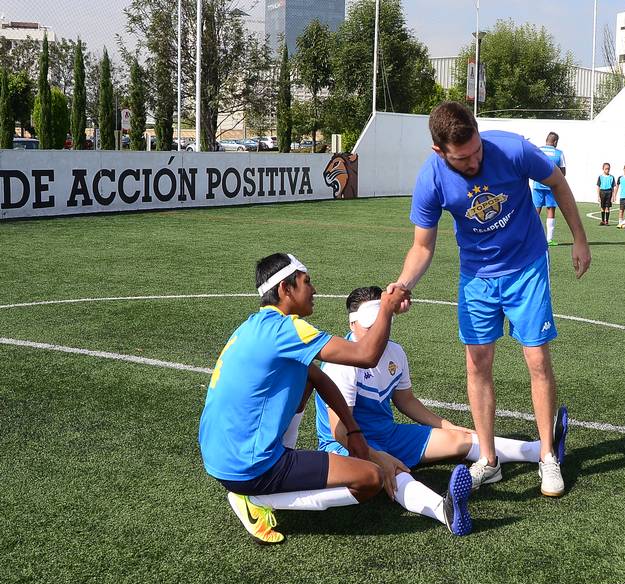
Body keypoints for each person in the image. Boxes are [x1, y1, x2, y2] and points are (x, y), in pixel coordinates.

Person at [388, 101, 590, 498]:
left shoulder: (512, 149)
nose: (474, 160)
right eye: (463, 158)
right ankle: (489, 460)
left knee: (537, 358)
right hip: (476, 278)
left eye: (477, 150)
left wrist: (580, 239)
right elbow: (422, 247)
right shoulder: (431, 179)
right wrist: (403, 284)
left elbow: (558, 184)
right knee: (477, 363)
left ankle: (548, 456)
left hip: (527, 265)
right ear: (439, 152)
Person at [316, 286, 571, 534]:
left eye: (381, 323)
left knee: (460, 439)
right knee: (395, 471)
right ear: (352, 325)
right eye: (368, 326)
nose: (376, 331)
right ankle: (445, 512)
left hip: (387, 435)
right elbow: (340, 433)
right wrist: (379, 456)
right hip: (347, 446)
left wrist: (446, 425)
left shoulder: (395, 352)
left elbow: (406, 401)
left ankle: (540, 448)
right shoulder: (342, 365)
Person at [198, 253, 410, 544]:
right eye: (306, 282)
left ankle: (275, 466)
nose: (314, 290)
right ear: (285, 289)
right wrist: (385, 308)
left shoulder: (253, 325)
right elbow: (366, 355)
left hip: (220, 455)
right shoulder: (286, 329)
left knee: (307, 375)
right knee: (369, 478)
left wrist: (353, 430)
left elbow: (321, 379)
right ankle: (259, 499)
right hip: (247, 465)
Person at [531, 132, 567, 246]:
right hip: (551, 186)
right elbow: (563, 172)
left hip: (537, 184)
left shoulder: (537, 150)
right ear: (555, 141)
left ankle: (532, 238)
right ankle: (549, 239)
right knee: (550, 210)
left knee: (535, 211)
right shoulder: (559, 153)